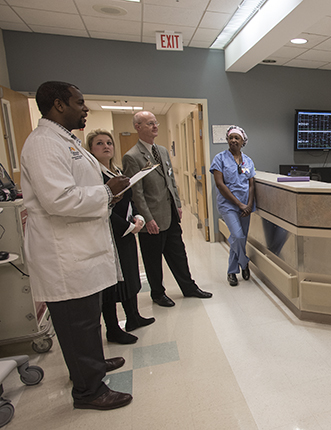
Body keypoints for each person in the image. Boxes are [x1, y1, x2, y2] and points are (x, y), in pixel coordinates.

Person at [20, 81, 132, 410]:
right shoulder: (43, 144)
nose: (85, 108)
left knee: (87, 319)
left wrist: (109, 193)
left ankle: (91, 366)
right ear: (58, 105)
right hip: (64, 254)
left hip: (81, 248)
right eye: (79, 103)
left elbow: (84, 186)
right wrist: (107, 192)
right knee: (76, 322)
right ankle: (89, 391)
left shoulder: (66, 140)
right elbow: (58, 199)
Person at [122, 111, 212, 307]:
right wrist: (147, 218)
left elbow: (171, 179)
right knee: (153, 260)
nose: (155, 127)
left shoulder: (161, 151)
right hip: (152, 218)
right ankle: (157, 293)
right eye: (149, 124)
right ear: (138, 127)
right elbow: (137, 193)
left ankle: (189, 287)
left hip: (170, 213)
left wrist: (178, 204)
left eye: (156, 123)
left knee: (178, 253)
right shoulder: (132, 157)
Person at [86, 129, 155, 344]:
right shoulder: (94, 176)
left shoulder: (117, 171)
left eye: (109, 142)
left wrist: (137, 217)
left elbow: (129, 200)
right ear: (90, 150)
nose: (106, 146)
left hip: (126, 231)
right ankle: (113, 328)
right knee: (113, 281)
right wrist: (127, 226)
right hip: (110, 234)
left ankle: (133, 316)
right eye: (99, 143)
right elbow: (101, 208)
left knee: (131, 273)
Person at [210, 126, 256, 286]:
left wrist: (249, 204)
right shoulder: (219, 159)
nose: (233, 141)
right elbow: (220, 184)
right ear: (227, 140)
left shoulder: (248, 161)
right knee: (237, 236)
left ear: (243, 141)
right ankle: (244, 263)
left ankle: (231, 272)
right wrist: (239, 204)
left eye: (237, 138)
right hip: (228, 204)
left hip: (246, 205)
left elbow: (251, 185)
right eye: (231, 138)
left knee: (240, 239)